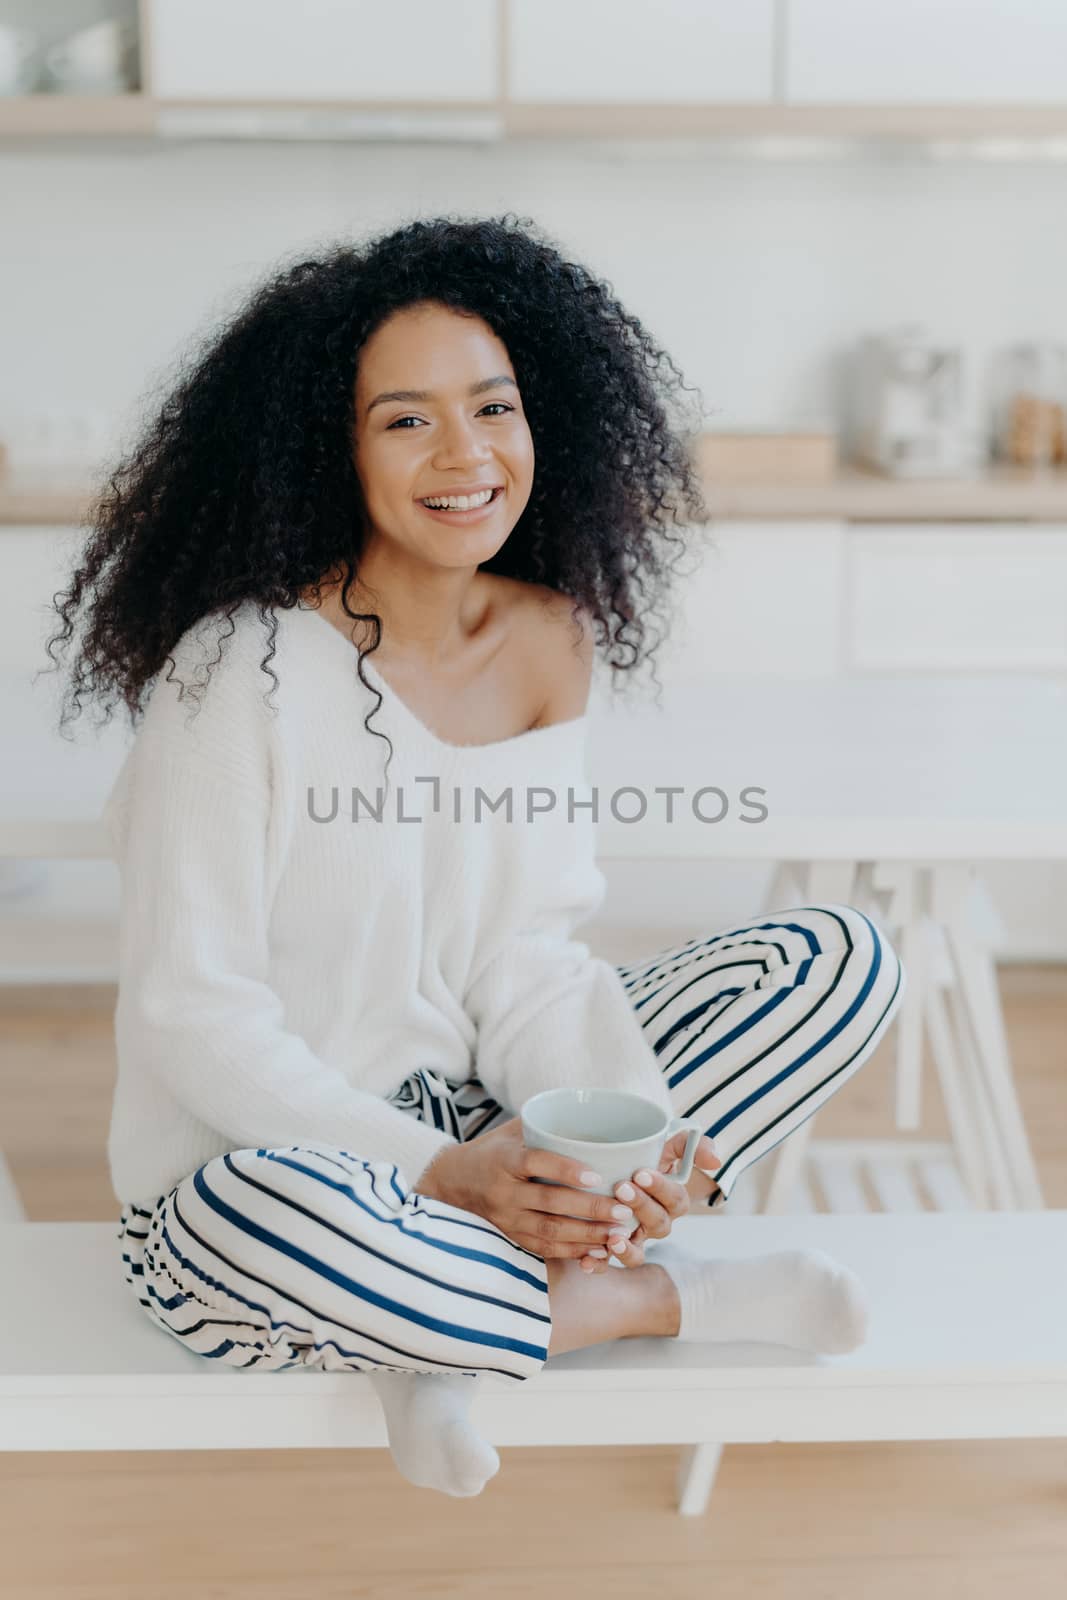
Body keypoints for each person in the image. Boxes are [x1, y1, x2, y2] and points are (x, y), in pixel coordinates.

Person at [46, 213, 905, 1499]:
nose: (466, 454)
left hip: (473, 1124)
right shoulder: (240, 672)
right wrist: (444, 1176)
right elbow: (192, 1016)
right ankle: (639, 1299)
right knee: (262, 1218)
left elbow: (527, 959)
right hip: (267, 1166)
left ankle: (451, 1328)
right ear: (326, 450)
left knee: (831, 956)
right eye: (405, 420)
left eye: (492, 407)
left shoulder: (549, 639)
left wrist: (626, 1146)